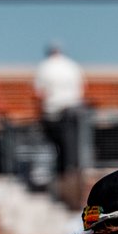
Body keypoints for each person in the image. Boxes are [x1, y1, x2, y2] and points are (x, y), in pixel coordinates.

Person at [33, 42, 85, 178]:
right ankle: (70, 172)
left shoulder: (44, 67)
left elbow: (39, 93)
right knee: (72, 146)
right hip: (73, 111)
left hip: (54, 113)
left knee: (55, 147)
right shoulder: (73, 66)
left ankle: (61, 174)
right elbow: (81, 90)